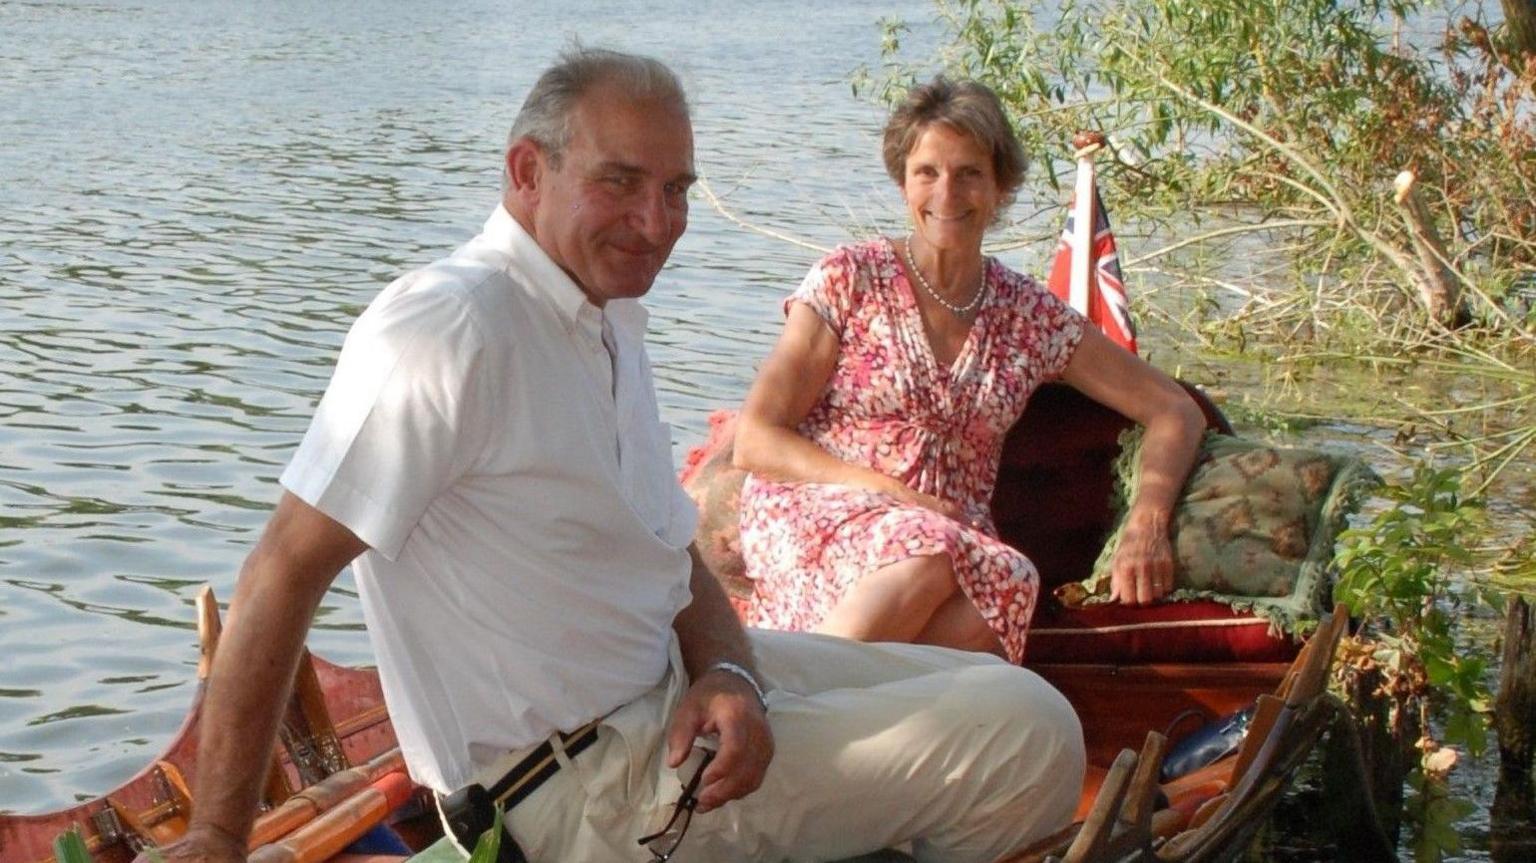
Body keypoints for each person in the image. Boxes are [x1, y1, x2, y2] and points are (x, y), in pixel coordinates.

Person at [146, 50, 1084, 863]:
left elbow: (671, 553)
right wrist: (219, 838)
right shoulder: (450, 327)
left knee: (1008, 690)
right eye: (621, 182)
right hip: (573, 797)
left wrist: (731, 674)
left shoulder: (601, 316)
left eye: (675, 189)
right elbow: (283, 566)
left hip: (664, 708)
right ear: (526, 171)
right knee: (1037, 740)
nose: (657, 220)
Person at [734, 76, 1207, 665]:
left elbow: (1174, 409)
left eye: (969, 173)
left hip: (952, 535)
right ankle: (791, 698)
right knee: (928, 553)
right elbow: (755, 439)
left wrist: (1147, 521)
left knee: (1010, 581)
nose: (946, 192)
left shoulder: (1028, 314)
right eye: (927, 172)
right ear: (903, 181)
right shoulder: (849, 278)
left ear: (1000, 187)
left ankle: (818, 693)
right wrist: (883, 490)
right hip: (824, 506)